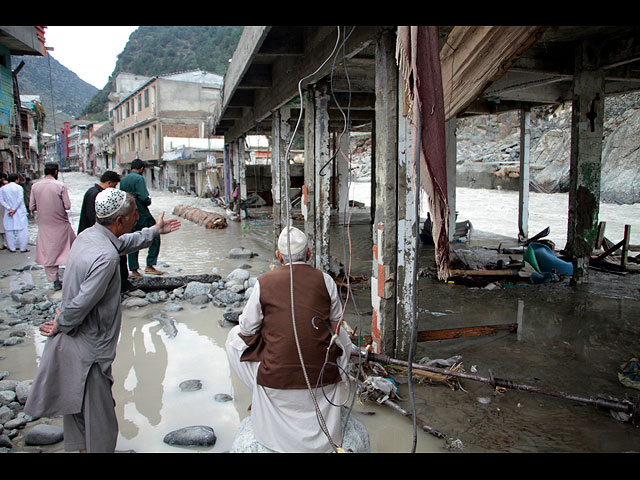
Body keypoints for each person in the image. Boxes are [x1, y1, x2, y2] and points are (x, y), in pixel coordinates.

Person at [24, 188, 181, 453]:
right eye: (133, 216)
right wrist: (60, 324)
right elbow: (83, 303)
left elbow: (124, 243)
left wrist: (154, 231)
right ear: (119, 221)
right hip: (90, 348)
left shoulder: (89, 237)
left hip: (75, 345)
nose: (136, 219)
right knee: (101, 422)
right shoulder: (107, 258)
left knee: (79, 411)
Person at [225, 226, 355, 453]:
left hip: (276, 380)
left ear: (278, 255)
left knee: (232, 338)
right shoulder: (325, 280)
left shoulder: (264, 282)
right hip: (322, 379)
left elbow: (246, 328)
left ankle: (260, 396)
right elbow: (336, 323)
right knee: (342, 337)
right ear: (309, 254)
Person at [29, 162, 76, 290]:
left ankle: (54, 280)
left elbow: (31, 207)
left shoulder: (35, 186)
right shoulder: (60, 186)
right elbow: (67, 206)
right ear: (56, 172)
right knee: (72, 247)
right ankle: (73, 275)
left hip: (44, 225)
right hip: (60, 223)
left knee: (48, 252)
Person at [119, 159, 164, 278]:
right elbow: (144, 197)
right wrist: (148, 200)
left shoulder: (123, 180)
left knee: (132, 239)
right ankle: (150, 265)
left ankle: (134, 270)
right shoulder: (139, 179)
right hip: (142, 213)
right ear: (142, 169)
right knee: (155, 235)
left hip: (128, 214)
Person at [0, 173, 29, 252]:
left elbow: (1, 200)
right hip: (19, 211)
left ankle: (12, 248)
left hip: (8, 212)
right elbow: (20, 199)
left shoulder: (3, 189)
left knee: (9, 230)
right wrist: (14, 208)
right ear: (16, 180)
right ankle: (23, 248)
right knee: (22, 230)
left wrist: (9, 208)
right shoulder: (19, 188)